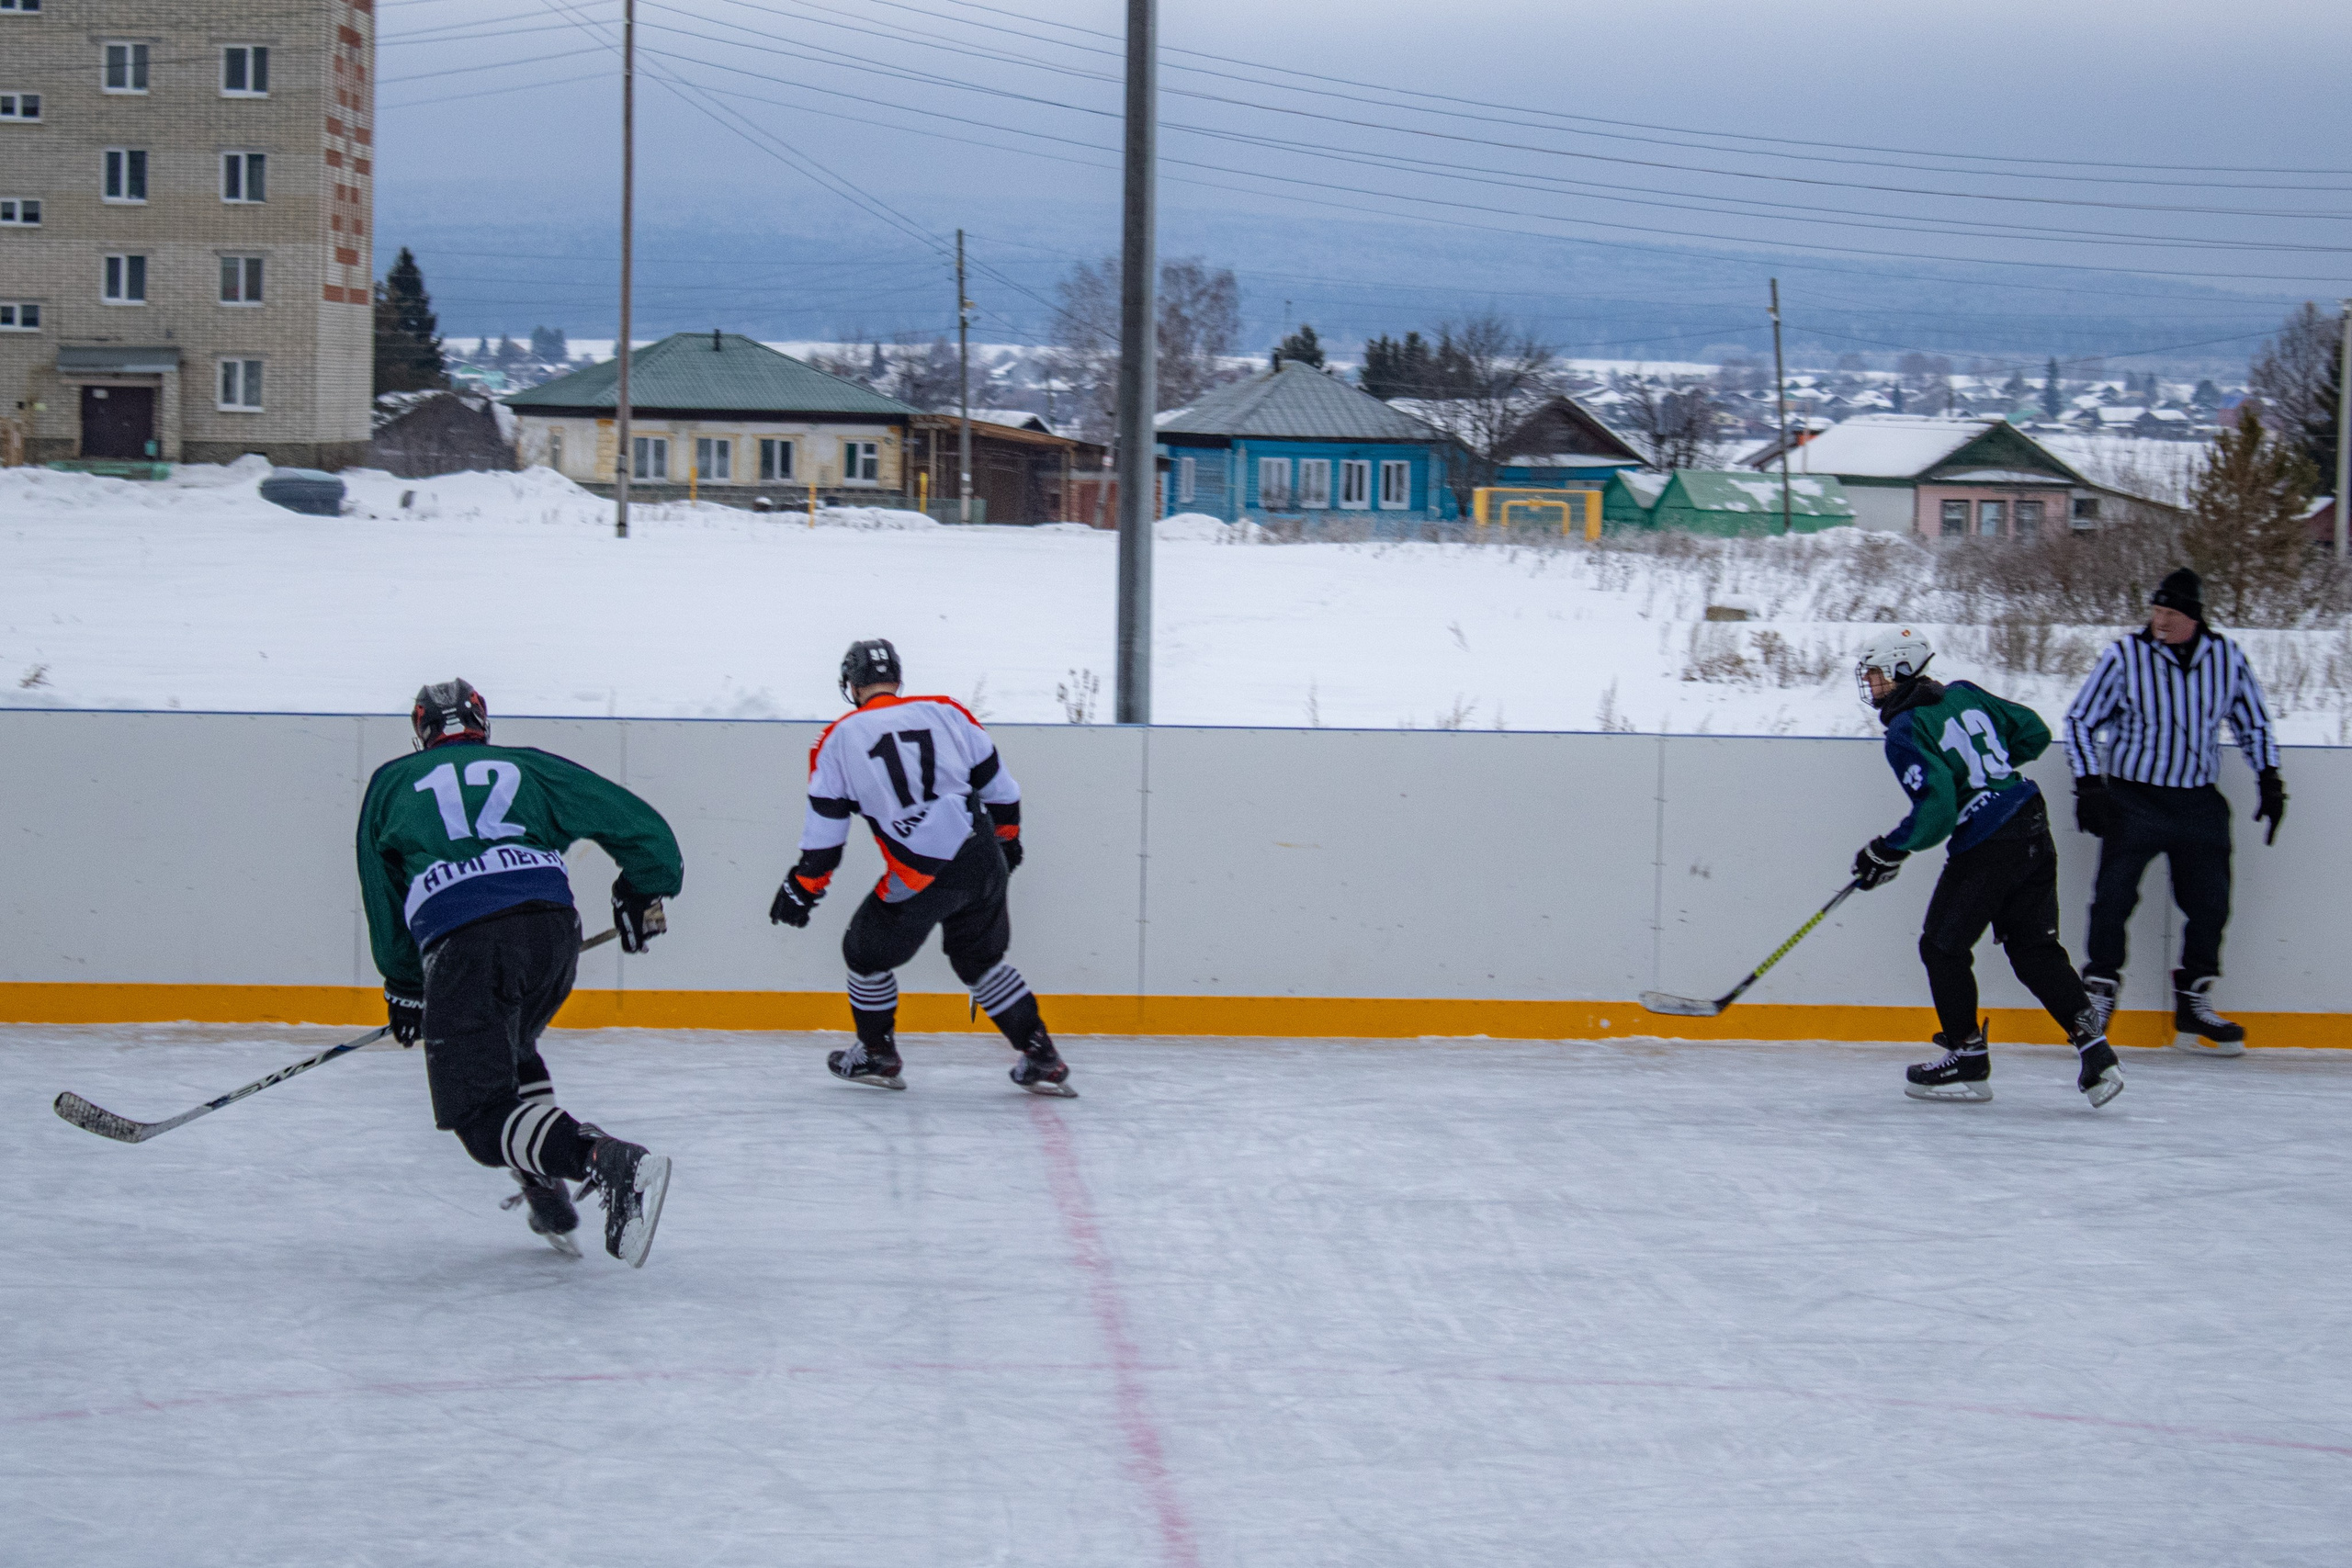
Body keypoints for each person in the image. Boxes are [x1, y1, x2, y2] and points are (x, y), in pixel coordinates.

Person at [358, 679, 684, 1266]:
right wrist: (641, 891)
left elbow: (382, 896)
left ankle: (604, 1161)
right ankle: (543, 1187)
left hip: (465, 939)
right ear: (483, 724)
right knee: (511, 1050)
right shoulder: (526, 767)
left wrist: (405, 985)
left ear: (421, 731)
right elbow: (641, 828)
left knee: (481, 1118)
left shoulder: (391, 783)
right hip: (553, 932)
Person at [769, 639, 1075, 1098]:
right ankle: (1041, 1056)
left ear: (851, 686)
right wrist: (1006, 846)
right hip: (981, 851)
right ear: (897, 679)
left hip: (923, 870)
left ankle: (877, 1053)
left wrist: (802, 888)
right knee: (980, 961)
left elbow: (826, 840)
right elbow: (1003, 791)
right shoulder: (946, 711)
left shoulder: (837, 740)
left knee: (863, 953)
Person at [1849, 630, 2123, 1107]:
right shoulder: (1963, 694)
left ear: (1900, 671)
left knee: (1941, 946)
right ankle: (2097, 1054)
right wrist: (1990, 775)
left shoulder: (1905, 731)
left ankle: (1967, 1058)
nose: (1871, 685)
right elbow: (2033, 731)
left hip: (1990, 844)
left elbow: (1935, 813)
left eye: (1876, 674)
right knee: (2035, 949)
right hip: (2032, 822)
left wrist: (1887, 849)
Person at [2063, 569, 2285, 1056]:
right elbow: (2080, 720)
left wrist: (2270, 779)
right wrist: (2087, 785)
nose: (2159, 621)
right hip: (2132, 796)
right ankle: (2098, 993)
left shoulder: (2226, 657)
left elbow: (2254, 723)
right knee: (2113, 898)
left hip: (2197, 799)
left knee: (2211, 901)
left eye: (2171, 613)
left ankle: (2194, 998)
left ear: (2193, 616)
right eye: (2156, 610)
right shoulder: (2126, 656)